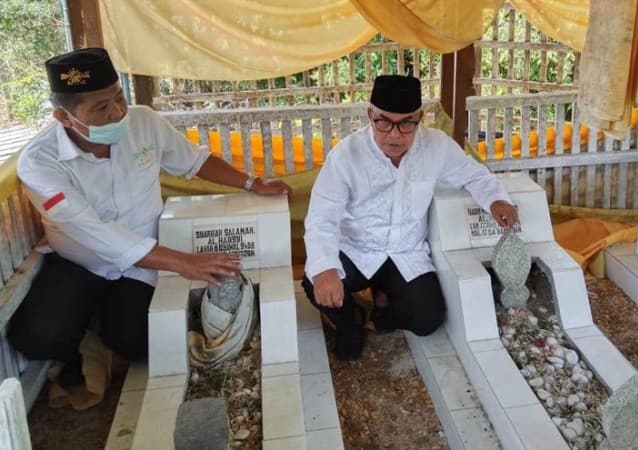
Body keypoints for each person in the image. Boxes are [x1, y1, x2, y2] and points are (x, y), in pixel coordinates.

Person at [7, 47, 292, 386]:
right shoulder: (40, 162)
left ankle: (101, 329)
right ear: (64, 118)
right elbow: (89, 229)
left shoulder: (142, 122)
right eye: (100, 107)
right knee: (37, 339)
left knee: (140, 342)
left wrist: (252, 183)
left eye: (118, 98)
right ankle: (82, 339)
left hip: (143, 263)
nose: (117, 113)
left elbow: (194, 161)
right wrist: (183, 262)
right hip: (79, 263)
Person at [303, 74, 518, 360]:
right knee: (315, 278)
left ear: (420, 118)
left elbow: (473, 174)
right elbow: (321, 217)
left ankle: (382, 307)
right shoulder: (346, 156)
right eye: (383, 122)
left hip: (406, 251)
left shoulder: (436, 146)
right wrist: (326, 270)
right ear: (370, 114)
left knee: (427, 320)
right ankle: (348, 323)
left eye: (406, 124)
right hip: (357, 249)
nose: (394, 134)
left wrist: (496, 199)